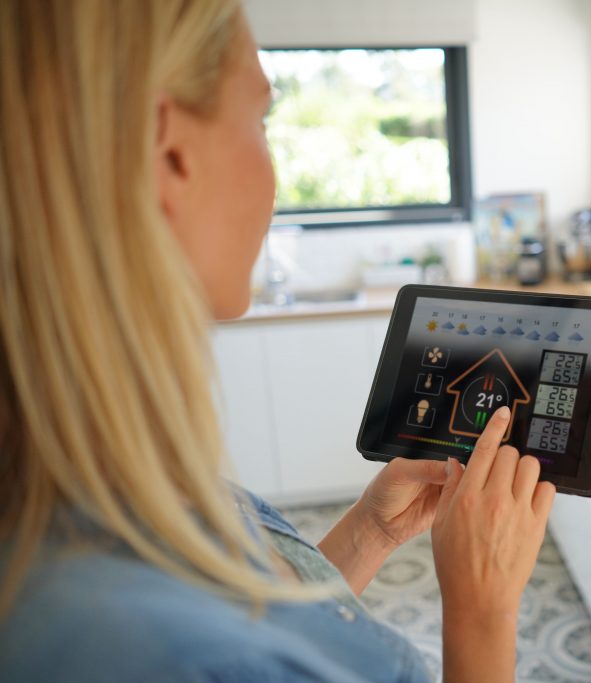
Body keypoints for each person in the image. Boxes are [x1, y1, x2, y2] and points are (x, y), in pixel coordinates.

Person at [0, 1, 556, 681]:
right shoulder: (146, 645)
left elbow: (273, 634)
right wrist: (484, 612)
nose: (276, 178)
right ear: (167, 148)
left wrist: (368, 532)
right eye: (260, 119)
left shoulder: (92, 472)